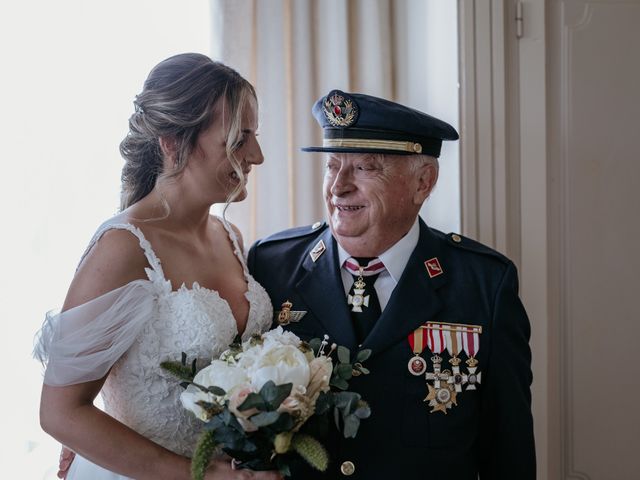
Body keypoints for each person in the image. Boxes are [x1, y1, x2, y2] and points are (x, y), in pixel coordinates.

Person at [247, 90, 536, 479]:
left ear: (423, 182)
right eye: (332, 166)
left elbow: (509, 452)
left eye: (366, 168)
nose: (339, 187)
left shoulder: (484, 284)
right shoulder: (271, 265)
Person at [35, 53, 282, 480]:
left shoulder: (232, 238)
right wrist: (198, 475)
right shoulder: (123, 248)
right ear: (172, 143)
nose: (257, 155)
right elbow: (60, 414)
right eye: (239, 139)